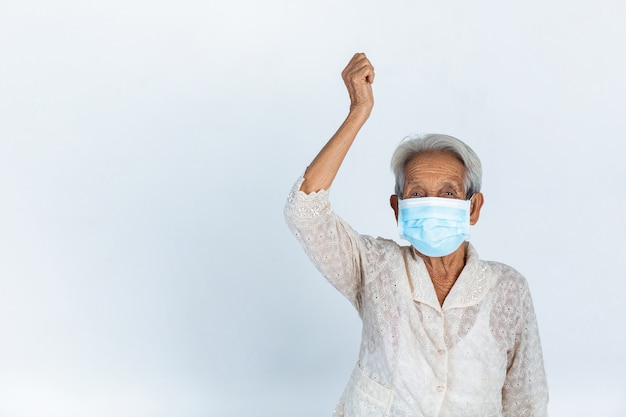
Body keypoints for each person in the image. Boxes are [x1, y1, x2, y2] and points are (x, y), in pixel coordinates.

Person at [284, 53, 549, 417]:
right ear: (397, 207)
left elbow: (526, 402)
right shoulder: (375, 267)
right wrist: (358, 112)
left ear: (473, 207)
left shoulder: (508, 288)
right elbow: (305, 212)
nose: (433, 203)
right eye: (418, 194)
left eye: (449, 193)